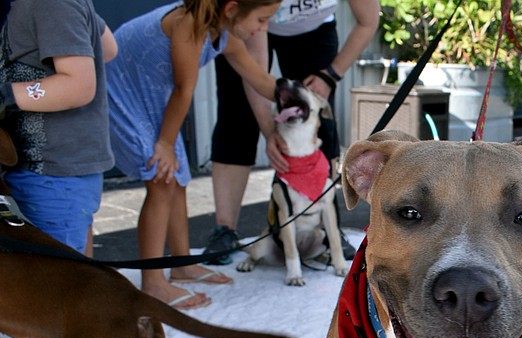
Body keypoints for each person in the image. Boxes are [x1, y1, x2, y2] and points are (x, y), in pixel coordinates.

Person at [0, 0, 117, 338]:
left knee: (64, 293)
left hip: (54, 169)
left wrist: (7, 95)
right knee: (76, 270)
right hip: (65, 167)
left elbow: (79, 84)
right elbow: (108, 48)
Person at [105, 0, 282, 308]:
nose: (263, 28)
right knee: (161, 178)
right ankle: (153, 283)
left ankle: (183, 264)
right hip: (120, 92)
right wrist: (164, 143)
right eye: (262, 19)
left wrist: (301, 95)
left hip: (151, 95)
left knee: (179, 180)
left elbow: (262, 80)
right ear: (232, 9)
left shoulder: (224, 34)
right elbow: (183, 89)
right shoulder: (187, 22)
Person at [201, 0, 380, 265]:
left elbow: (368, 21)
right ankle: (224, 230)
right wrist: (270, 131)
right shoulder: (255, 18)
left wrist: (331, 75)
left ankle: (327, 229)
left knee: (320, 120)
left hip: (314, 31)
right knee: (236, 117)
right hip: (247, 24)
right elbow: (256, 73)